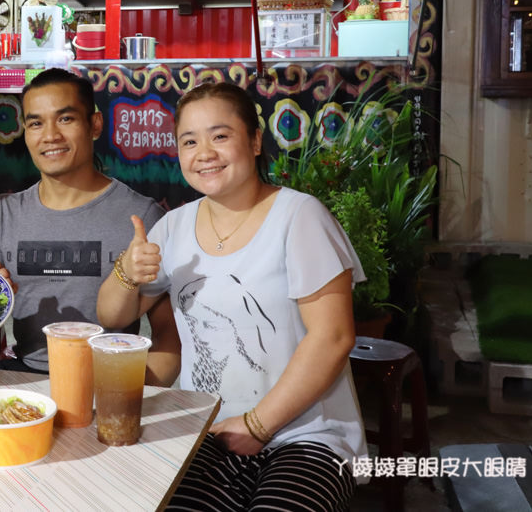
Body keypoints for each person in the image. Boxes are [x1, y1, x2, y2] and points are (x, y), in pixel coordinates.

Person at [96, 81, 366, 511]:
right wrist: (127, 273)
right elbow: (111, 315)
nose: (204, 152)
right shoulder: (172, 228)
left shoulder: (299, 216)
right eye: (190, 141)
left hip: (308, 436)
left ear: (255, 141)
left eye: (220, 136)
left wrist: (258, 425)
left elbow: (333, 338)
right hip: (209, 429)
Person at [0, 68, 180, 384]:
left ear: (94, 125)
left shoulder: (141, 217)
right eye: (36, 123)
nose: (50, 135)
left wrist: (129, 399)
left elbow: (169, 335)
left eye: (65, 119)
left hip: (107, 380)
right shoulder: (4, 213)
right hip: (24, 380)